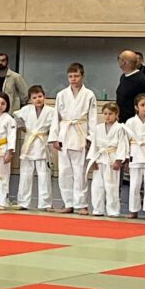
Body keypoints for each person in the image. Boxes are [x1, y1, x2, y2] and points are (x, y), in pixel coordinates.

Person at [54, 62, 96, 212]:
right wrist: (55, 137)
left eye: (76, 76)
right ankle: (68, 203)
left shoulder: (89, 94)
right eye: (70, 76)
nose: (73, 79)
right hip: (64, 134)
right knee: (64, 171)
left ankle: (81, 204)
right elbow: (56, 117)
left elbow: (92, 118)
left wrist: (91, 138)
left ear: (82, 76)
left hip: (80, 133)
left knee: (80, 172)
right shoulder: (61, 95)